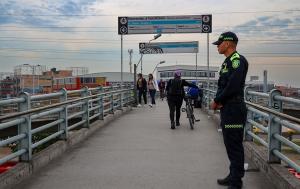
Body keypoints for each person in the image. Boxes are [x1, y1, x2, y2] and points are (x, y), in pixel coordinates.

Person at [211, 31, 248, 189]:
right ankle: (233, 175)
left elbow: (232, 86)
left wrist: (218, 100)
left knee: (234, 145)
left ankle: (236, 182)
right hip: (228, 108)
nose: (217, 46)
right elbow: (224, 85)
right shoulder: (227, 62)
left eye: (219, 44)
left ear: (227, 43)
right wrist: (219, 101)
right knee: (230, 144)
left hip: (234, 109)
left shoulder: (237, 61)